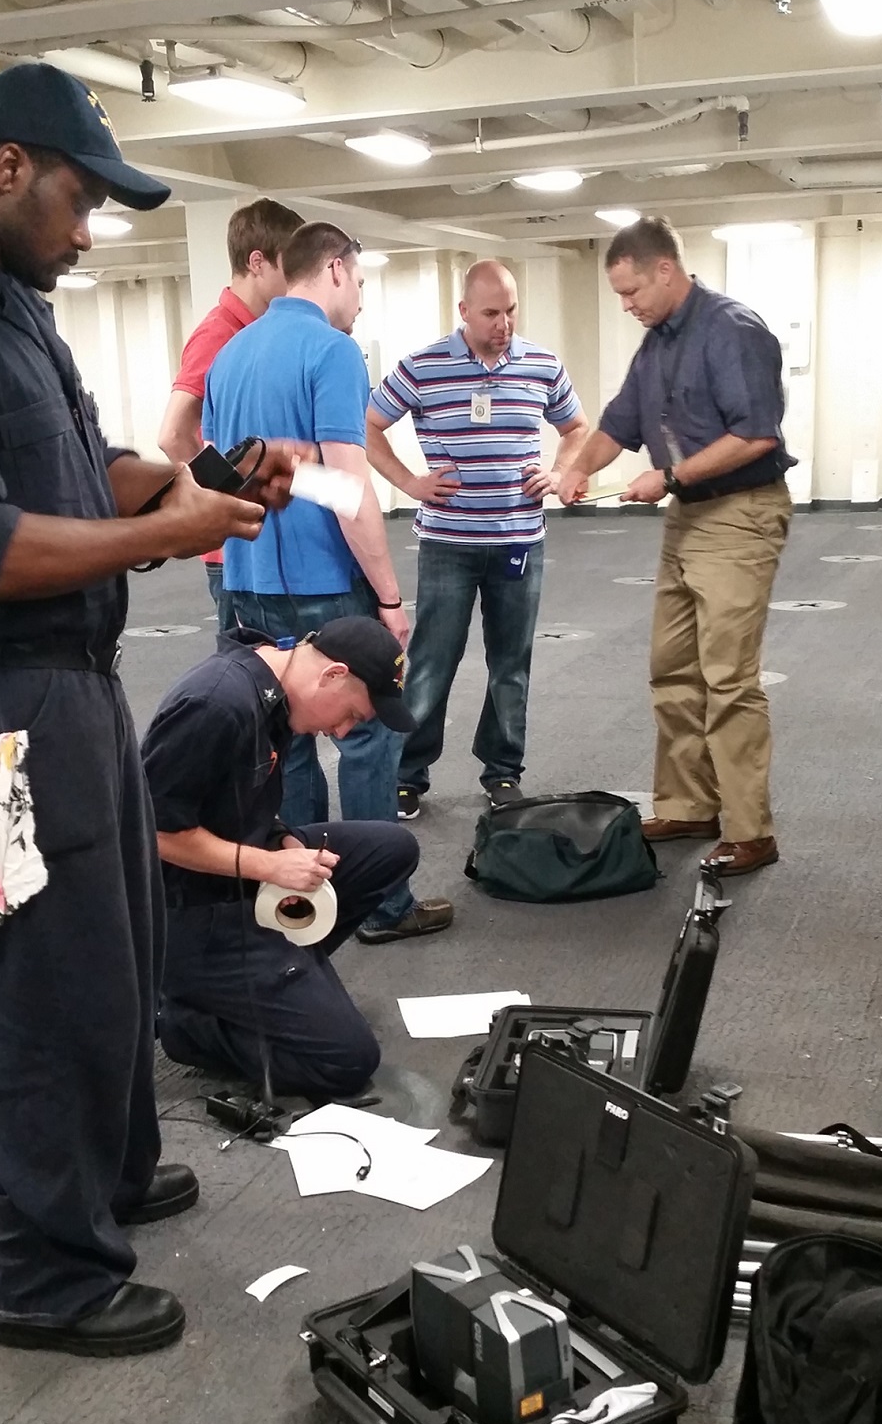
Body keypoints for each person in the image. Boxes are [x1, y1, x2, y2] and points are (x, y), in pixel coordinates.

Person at [0, 60, 304, 1359]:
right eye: (81, 201)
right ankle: (40, 1268)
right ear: (7, 168)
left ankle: (112, 1171)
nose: (89, 234)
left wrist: (194, 480)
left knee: (119, 956)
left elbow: (89, 472)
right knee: (41, 982)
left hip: (69, 688)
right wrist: (173, 534)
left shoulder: (12, 308)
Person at [203, 218, 452, 946]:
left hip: (245, 578)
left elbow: (222, 470)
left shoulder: (231, 354)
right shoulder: (334, 353)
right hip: (323, 585)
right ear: (337, 270)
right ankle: (380, 904)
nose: (362, 301)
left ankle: (311, 898)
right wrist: (389, 597)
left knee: (289, 739)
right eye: (363, 283)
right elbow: (351, 490)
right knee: (367, 733)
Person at [557, 216, 794, 878]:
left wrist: (669, 476)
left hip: (740, 513)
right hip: (688, 519)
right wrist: (579, 467)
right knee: (671, 670)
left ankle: (751, 830)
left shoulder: (732, 330)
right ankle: (690, 803)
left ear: (666, 269)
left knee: (729, 679)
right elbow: (618, 423)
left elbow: (756, 436)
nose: (626, 305)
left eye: (632, 292)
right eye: (619, 296)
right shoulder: (656, 342)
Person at [143, 617, 419, 1098]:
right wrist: (270, 866)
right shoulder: (217, 705)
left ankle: (284, 970)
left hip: (237, 870)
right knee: (348, 1060)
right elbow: (152, 831)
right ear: (332, 675)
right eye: (351, 713)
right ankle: (184, 1021)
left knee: (392, 848)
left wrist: (282, 839)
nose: (342, 730)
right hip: (185, 913)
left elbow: (235, 802)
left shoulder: (275, 693)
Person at [365, 258, 588, 818]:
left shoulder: (542, 364)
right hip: (448, 544)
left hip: (519, 542)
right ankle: (408, 773)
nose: (503, 323)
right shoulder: (422, 366)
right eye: (491, 312)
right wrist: (410, 481)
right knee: (432, 661)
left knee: (511, 663)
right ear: (463, 311)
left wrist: (560, 473)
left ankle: (503, 771)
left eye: (511, 310)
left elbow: (576, 427)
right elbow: (365, 426)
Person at [157, 197, 303, 633]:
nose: (298, 282)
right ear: (257, 262)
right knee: (249, 679)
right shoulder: (219, 333)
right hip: (233, 554)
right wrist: (221, 499)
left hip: (264, 540)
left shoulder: (261, 333)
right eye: (289, 269)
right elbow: (174, 433)